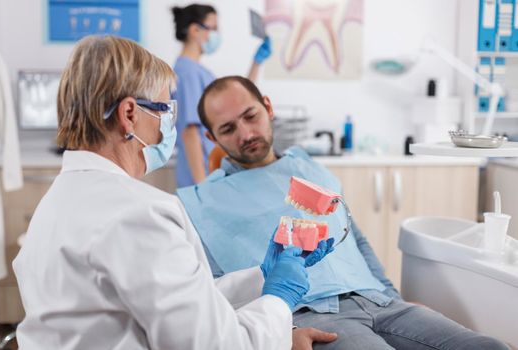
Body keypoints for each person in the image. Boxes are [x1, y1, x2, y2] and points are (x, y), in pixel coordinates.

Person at [12, 36, 335, 350]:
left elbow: (173, 300)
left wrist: (262, 277)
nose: (169, 125)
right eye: (164, 109)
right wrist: (279, 297)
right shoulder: (138, 212)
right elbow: (215, 343)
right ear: (129, 114)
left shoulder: (58, 201)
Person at [177, 75, 511, 350]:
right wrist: (276, 335)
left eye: (250, 116)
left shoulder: (308, 168)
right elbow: (211, 295)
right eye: (228, 129)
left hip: (379, 302)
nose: (246, 134)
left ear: (268, 106)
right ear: (211, 137)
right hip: (309, 317)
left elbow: (357, 242)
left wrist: (395, 298)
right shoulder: (201, 203)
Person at [171, 4, 272, 187]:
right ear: (195, 30)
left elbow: (239, 102)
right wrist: (202, 187)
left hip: (212, 173)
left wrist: (256, 64)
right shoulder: (188, 73)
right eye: (214, 28)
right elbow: (190, 133)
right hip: (201, 177)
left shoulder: (198, 71)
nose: (218, 34)